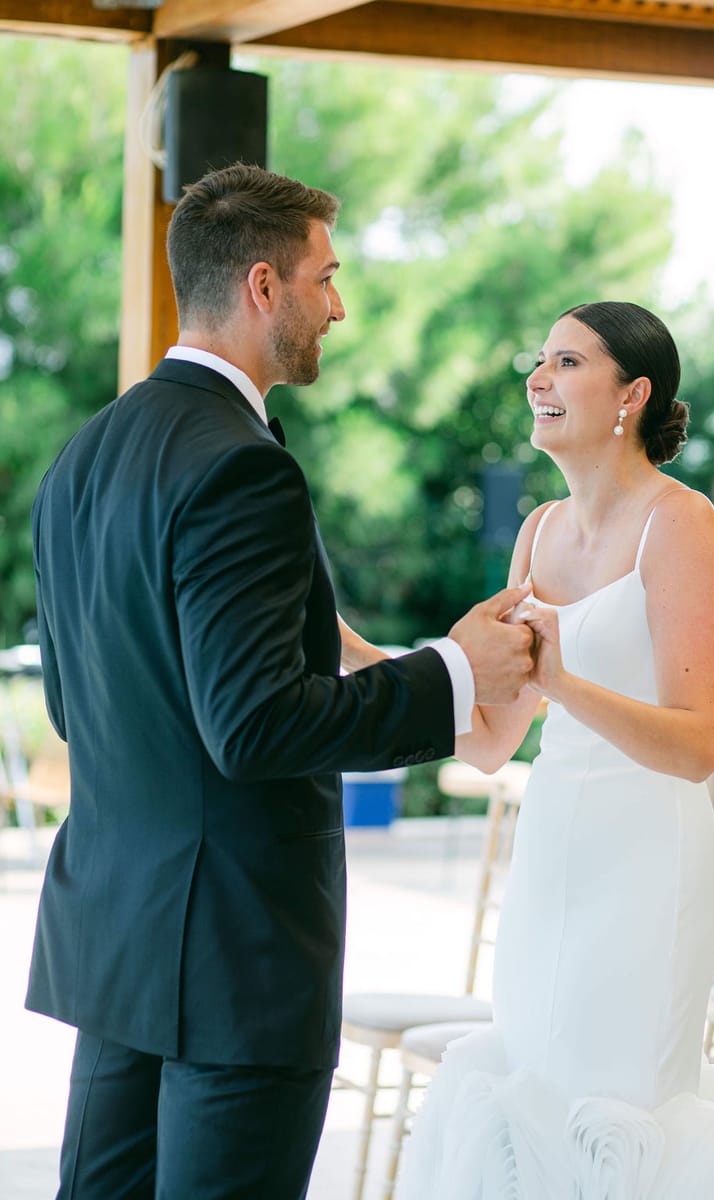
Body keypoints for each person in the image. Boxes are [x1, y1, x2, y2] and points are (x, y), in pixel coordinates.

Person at [25, 164, 536, 1200]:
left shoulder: (84, 456)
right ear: (264, 287)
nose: (338, 305)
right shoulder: (242, 464)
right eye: (326, 276)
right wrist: (453, 670)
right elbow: (254, 727)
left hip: (115, 946)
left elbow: (76, 709)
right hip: (236, 957)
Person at [346, 301, 714, 1197]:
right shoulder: (538, 532)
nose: (539, 379)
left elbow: (696, 747)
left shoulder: (683, 526)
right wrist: (357, 652)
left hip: (649, 865)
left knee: (622, 1102)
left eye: (568, 362)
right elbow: (495, 738)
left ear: (632, 394)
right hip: (552, 859)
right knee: (533, 1085)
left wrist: (567, 685)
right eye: (540, 361)